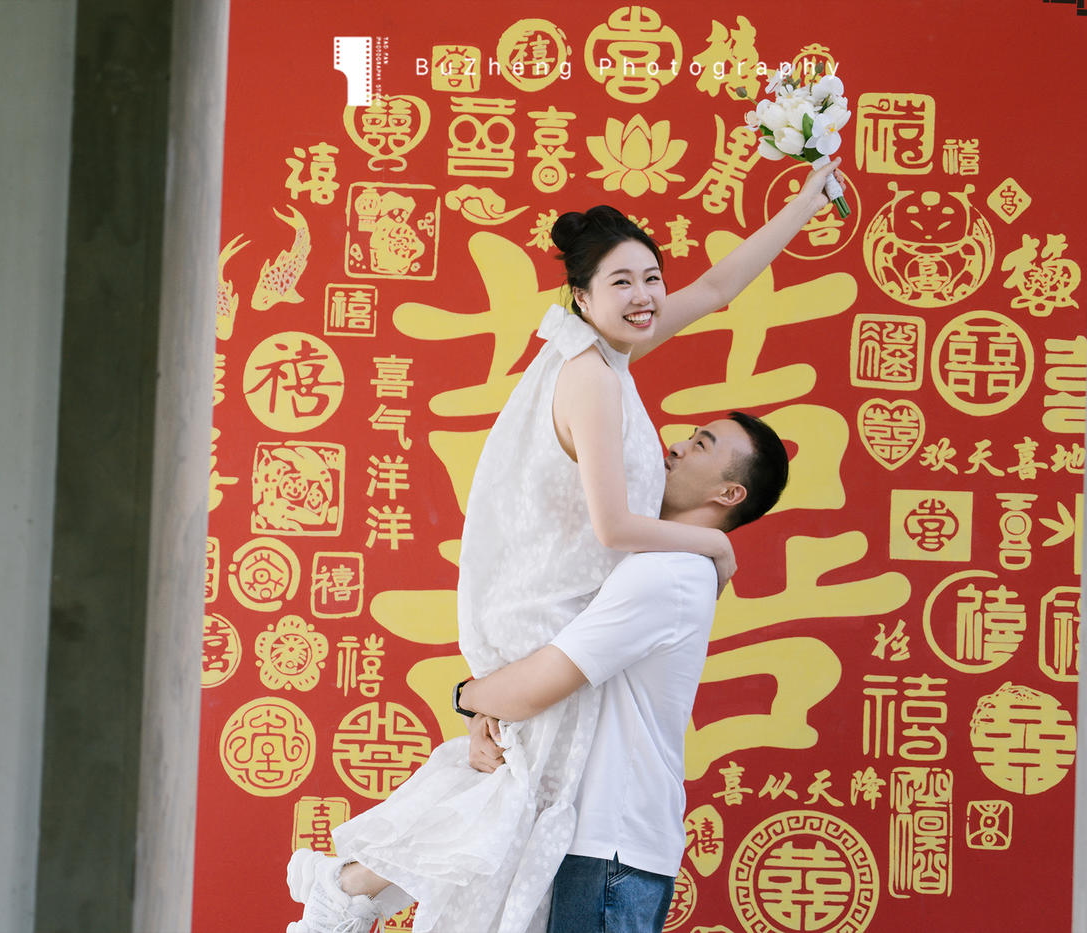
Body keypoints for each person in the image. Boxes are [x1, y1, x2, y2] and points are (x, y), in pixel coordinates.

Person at [286, 160, 844, 933]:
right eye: (622, 282)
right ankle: (347, 886)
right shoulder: (591, 378)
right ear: (581, 297)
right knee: (518, 792)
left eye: (652, 277)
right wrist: (712, 550)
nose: (645, 296)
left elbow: (718, 287)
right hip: (548, 600)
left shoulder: (610, 357)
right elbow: (613, 527)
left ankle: (349, 889)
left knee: (510, 795)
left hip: (569, 601)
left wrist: (803, 205)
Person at [457, 412, 789, 933]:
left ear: (729, 494)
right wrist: (485, 714)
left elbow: (542, 682)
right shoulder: (661, 563)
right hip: (589, 838)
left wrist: (467, 695)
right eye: (690, 437)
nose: (675, 446)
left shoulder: (669, 572)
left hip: (608, 845)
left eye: (702, 445)